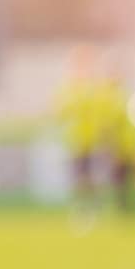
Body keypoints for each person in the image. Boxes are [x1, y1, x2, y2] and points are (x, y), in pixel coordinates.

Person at [55, 45, 127, 215]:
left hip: (95, 141)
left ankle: (96, 208)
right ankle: (83, 208)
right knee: (80, 177)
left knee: (96, 177)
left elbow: (103, 114)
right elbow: (61, 113)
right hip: (77, 141)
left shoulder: (95, 88)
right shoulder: (70, 88)